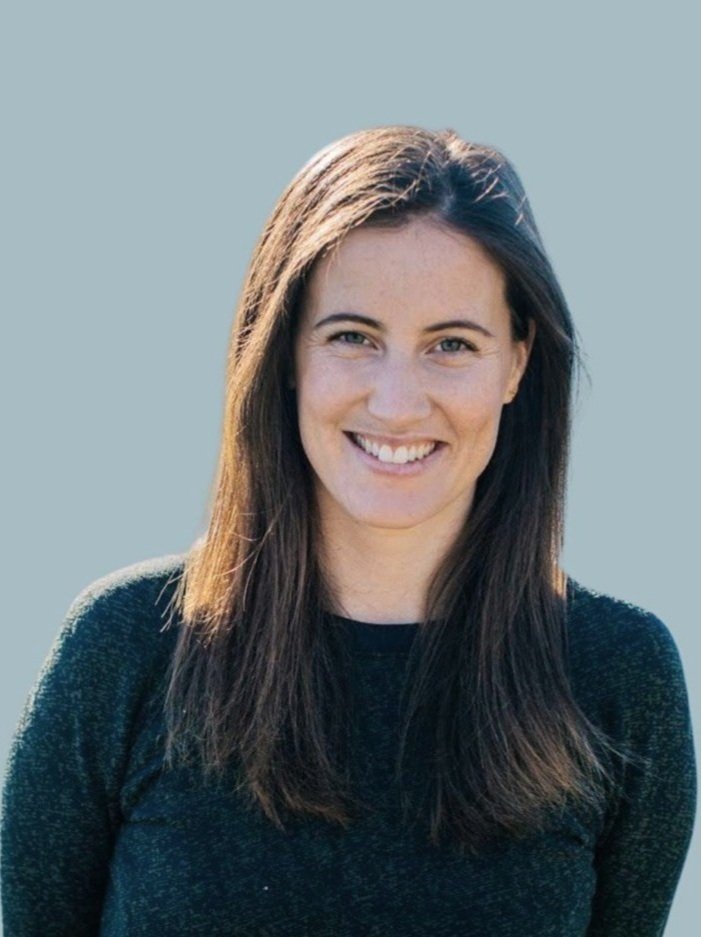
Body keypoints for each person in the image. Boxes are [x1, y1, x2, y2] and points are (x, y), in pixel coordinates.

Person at [1, 126, 696, 936]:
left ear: (515, 362)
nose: (398, 402)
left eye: (451, 345)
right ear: (286, 352)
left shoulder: (620, 676)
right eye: (353, 337)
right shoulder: (127, 647)